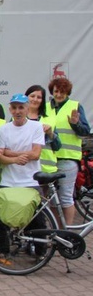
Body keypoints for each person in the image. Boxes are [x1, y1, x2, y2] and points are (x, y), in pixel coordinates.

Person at [0, 93, 44, 264]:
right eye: (14, 108)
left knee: (37, 220)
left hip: (31, 181)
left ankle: (40, 252)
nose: (18, 111)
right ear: (10, 109)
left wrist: (11, 153)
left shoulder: (36, 126)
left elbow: (36, 154)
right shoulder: (3, 129)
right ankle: (3, 252)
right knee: (0, 219)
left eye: (21, 107)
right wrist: (13, 159)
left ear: (27, 109)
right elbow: (0, 157)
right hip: (8, 182)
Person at [47, 76, 91, 226]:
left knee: (65, 197)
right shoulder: (46, 107)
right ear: (52, 91)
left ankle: (67, 231)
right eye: (56, 91)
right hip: (50, 159)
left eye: (62, 92)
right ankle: (56, 230)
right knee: (52, 200)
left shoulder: (75, 106)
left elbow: (85, 130)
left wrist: (76, 123)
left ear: (68, 93)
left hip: (68, 158)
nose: (59, 95)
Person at [25, 84, 60, 174]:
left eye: (39, 97)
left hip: (46, 169)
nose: (35, 99)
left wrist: (50, 133)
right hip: (24, 167)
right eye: (32, 96)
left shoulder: (50, 119)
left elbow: (57, 146)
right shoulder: (16, 118)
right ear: (26, 97)